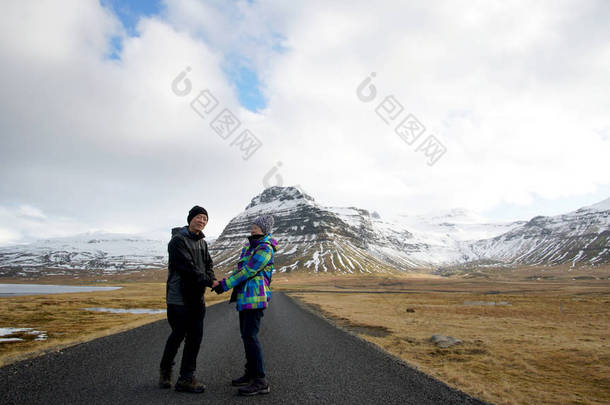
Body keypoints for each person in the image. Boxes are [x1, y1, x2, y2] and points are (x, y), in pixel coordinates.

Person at [213, 214, 277, 396]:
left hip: (255, 298)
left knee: (250, 336)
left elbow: (249, 271)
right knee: (246, 336)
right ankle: (250, 374)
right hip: (245, 298)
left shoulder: (265, 248)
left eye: (256, 226)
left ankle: (260, 380)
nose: (252, 228)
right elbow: (240, 270)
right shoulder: (251, 247)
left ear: (264, 229)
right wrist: (224, 281)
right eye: (252, 225)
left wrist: (224, 285)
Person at [159, 205, 218, 393]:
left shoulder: (203, 243)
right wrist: (210, 282)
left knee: (195, 338)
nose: (202, 221)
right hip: (179, 298)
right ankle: (165, 370)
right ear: (190, 219)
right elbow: (187, 268)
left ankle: (186, 377)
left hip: (196, 298)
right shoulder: (177, 241)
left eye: (205, 219)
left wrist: (210, 277)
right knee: (177, 335)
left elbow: (208, 264)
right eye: (199, 217)